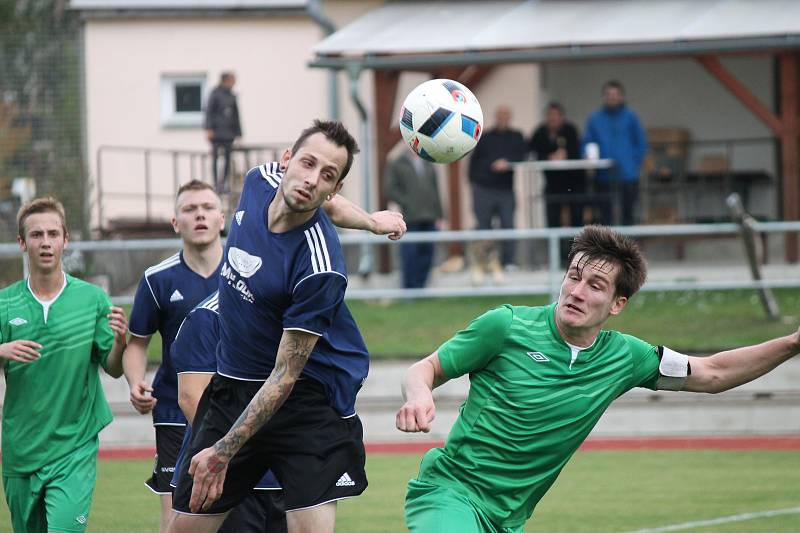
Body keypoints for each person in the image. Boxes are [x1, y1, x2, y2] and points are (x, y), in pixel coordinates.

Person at [396, 225, 800, 533]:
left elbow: (713, 373)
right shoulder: (506, 325)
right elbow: (424, 369)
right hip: (449, 495)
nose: (577, 291)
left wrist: (793, 342)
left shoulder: (625, 356)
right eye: (574, 276)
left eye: (596, 285)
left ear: (617, 303)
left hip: (507, 520)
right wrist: (418, 396)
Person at [124, 180, 405, 533]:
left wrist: (370, 222)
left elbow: (325, 202)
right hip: (224, 440)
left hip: (283, 434)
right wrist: (230, 448)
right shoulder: (203, 315)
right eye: (190, 209)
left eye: (208, 208)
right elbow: (191, 395)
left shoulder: (313, 282)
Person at [0, 196, 128, 533]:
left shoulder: (92, 300)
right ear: (21, 243)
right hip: (21, 450)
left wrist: (120, 343)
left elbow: (113, 368)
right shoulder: (4, 303)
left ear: (65, 239)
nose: (45, 242)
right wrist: (2, 349)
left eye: (53, 234)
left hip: (74, 446)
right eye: (37, 235)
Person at [170, 291, 287, 533]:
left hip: (284, 476)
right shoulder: (207, 317)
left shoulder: (289, 314)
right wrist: (238, 455)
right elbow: (192, 397)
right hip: (226, 477)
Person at [468, 105, 528, 270]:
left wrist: (507, 163)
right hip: (484, 188)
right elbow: (474, 162)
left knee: (508, 225)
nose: (503, 118)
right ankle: (484, 262)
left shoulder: (517, 136)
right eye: (500, 115)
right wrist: (475, 185)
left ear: (510, 117)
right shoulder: (485, 137)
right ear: (496, 117)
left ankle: (508, 262)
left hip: (505, 190)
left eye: (506, 115)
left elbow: (523, 155)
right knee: (483, 227)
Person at [584, 80, 648, 225]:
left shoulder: (631, 117)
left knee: (628, 216)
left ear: (621, 97)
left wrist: (633, 163)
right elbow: (588, 142)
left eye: (615, 94)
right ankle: (608, 248)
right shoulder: (595, 119)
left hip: (628, 176)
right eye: (608, 94)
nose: (612, 97)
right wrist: (588, 155)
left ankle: (627, 247)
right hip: (603, 176)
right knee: (605, 218)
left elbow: (641, 143)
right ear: (603, 97)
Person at [530, 101, 586, 263]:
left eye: (555, 116)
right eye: (549, 116)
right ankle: (556, 258)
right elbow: (533, 152)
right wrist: (548, 157)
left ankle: (576, 257)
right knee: (552, 220)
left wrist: (566, 155)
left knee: (576, 220)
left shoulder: (570, 130)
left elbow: (578, 151)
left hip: (574, 184)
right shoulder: (540, 132)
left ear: (561, 117)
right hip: (552, 185)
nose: (552, 119)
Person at [385, 151, 443, 289]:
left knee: (427, 254)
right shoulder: (397, 163)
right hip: (410, 218)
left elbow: (435, 190)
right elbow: (389, 188)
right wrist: (407, 202)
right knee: (410, 254)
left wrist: (440, 215)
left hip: (430, 216)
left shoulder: (428, 161)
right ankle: (410, 289)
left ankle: (421, 289)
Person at [205, 72, 242, 192]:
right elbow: (209, 111)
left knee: (227, 158)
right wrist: (209, 128)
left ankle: (224, 183)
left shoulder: (232, 95)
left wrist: (238, 133)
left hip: (228, 132)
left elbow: (236, 115)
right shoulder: (215, 94)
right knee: (215, 158)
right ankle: (216, 183)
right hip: (216, 132)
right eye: (232, 80)